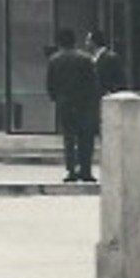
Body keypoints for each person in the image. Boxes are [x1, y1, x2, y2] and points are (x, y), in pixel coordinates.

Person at [45, 28, 99, 183]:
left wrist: (57, 98)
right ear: (74, 41)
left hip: (64, 103)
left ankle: (71, 170)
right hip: (84, 104)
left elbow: (50, 84)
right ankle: (86, 170)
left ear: (60, 42)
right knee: (85, 138)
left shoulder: (54, 60)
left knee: (69, 138)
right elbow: (93, 83)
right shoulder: (86, 59)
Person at [88, 29, 127, 96]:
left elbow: (120, 80)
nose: (86, 43)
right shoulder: (91, 59)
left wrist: (112, 92)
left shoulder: (111, 58)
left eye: (88, 40)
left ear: (94, 42)